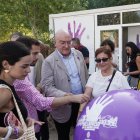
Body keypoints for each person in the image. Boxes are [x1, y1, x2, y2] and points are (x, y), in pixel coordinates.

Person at [13, 36, 89, 140]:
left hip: (30, 123)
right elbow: (41, 99)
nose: (38, 56)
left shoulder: (78, 54)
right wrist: (69, 98)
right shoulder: (18, 80)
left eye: (68, 42)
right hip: (25, 129)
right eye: (34, 53)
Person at [41, 30, 89, 140]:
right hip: (63, 106)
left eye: (68, 42)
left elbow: (85, 76)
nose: (66, 46)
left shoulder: (78, 54)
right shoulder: (49, 61)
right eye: (62, 42)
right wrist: (68, 96)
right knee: (64, 136)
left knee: (83, 133)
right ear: (55, 44)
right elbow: (47, 87)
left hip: (82, 102)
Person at [0, 41, 36, 139]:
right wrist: (9, 132)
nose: (29, 70)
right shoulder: (4, 92)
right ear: (6, 64)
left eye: (30, 65)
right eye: (24, 66)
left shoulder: (8, 86)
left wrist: (24, 119)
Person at [79, 47, 131, 115]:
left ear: (111, 59)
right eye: (98, 60)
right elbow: (86, 96)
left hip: (115, 114)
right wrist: (80, 113)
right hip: (97, 115)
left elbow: (128, 98)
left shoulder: (120, 77)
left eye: (104, 59)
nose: (101, 62)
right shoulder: (93, 77)